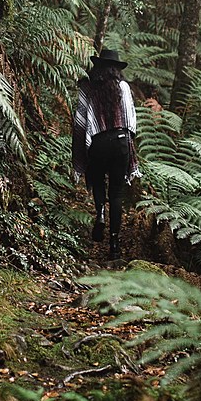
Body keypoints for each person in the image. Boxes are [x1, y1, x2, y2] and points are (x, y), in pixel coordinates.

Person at [71, 48, 140, 258]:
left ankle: (100, 212)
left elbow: (80, 120)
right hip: (120, 142)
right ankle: (114, 244)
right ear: (117, 69)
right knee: (117, 193)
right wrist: (128, 142)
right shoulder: (123, 87)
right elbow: (130, 121)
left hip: (98, 142)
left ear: (97, 66)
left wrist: (84, 145)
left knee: (98, 179)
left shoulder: (87, 87)